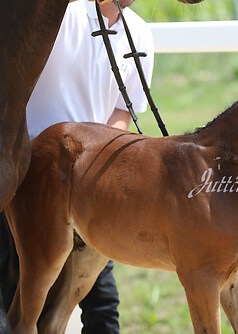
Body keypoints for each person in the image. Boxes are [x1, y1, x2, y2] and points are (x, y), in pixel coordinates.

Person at [0, 0, 154, 333]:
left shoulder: (140, 33)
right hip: (29, 181)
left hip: (86, 185)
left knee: (103, 307)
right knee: (18, 293)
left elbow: (121, 115)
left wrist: (97, 171)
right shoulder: (59, 14)